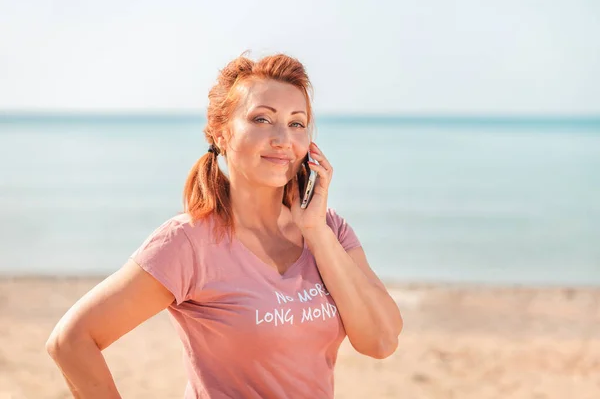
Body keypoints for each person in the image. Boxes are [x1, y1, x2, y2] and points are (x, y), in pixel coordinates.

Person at [46, 53, 403, 399]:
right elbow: (71, 341)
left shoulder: (330, 230)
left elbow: (380, 342)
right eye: (262, 119)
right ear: (221, 134)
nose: (283, 138)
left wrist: (316, 233)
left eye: (296, 123)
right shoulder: (188, 243)